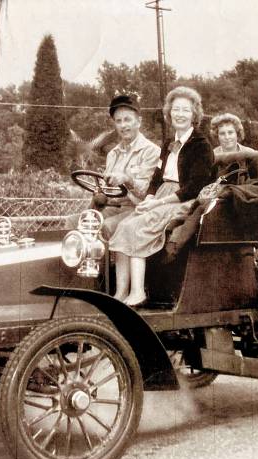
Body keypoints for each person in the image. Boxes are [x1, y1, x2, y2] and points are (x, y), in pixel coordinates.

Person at [108, 86, 215, 306]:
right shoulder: (168, 143)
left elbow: (193, 188)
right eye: (176, 109)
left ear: (194, 114)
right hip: (162, 195)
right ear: (169, 113)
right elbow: (157, 177)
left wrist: (159, 201)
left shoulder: (201, 145)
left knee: (137, 227)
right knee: (123, 226)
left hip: (184, 201)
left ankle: (138, 292)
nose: (179, 114)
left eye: (185, 110)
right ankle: (120, 293)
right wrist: (149, 197)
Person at [66, 94, 160, 235]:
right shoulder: (112, 154)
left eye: (127, 120)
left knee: (105, 226)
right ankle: (78, 255)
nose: (123, 125)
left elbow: (147, 192)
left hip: (137, 210)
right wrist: (98, 196)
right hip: (111, 208)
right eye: (118, 121)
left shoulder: (151, 151)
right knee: (73, 221)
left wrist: (127, 179)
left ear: (138, 122)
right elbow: (106, 190)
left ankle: (102, 256)